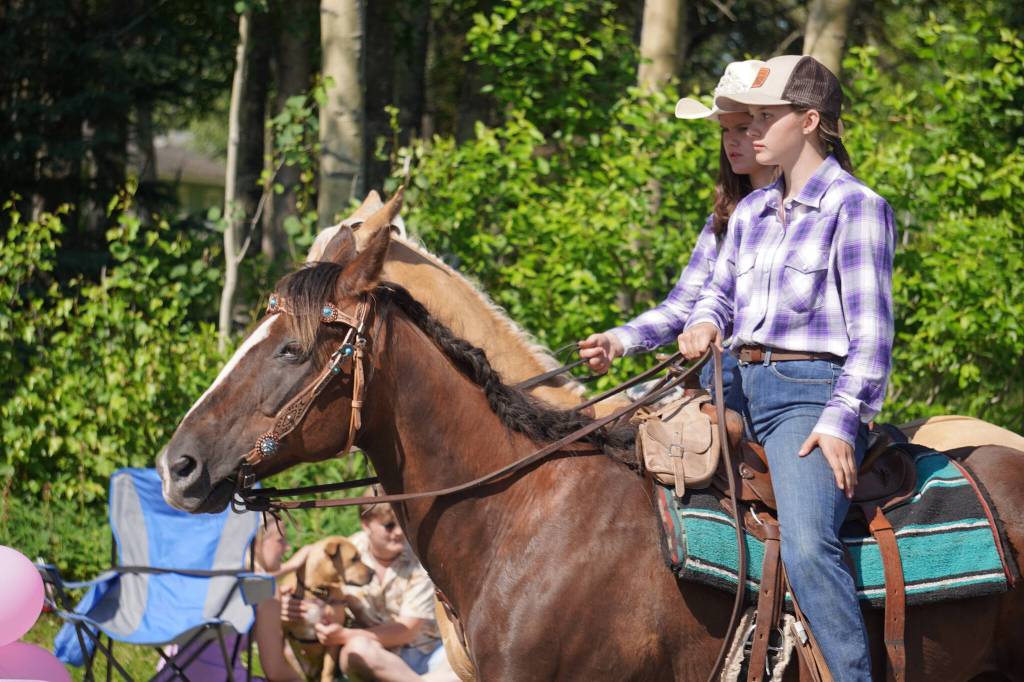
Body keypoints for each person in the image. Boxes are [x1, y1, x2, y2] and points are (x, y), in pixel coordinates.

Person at [677, 54, 896, 681]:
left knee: (806, 545)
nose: (752, 130)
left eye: (766, 118)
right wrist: (704, 323)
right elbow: (719, 295)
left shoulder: (856, 208)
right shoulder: (748, 213)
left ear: (808, 121)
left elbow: (873, 338)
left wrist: (840, 420)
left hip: (809, 397)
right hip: (735, 384)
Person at [578, 59, 775, 411]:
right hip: (713, 376)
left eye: (744, 127)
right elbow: (682, 306)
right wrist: (616, 341)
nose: (732, 141)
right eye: (725, 130)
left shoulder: (804, 214)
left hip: (766, 384)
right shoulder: (721, 221)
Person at [282, 492, 457, 682]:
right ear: (366, 524)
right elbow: (315, 581)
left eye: (401, 522)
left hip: (426, 652)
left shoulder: (419, 559)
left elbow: (406, 630)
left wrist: (344, 635)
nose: (398, 532)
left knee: (464, 662)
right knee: (356, 650)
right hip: (376, 654)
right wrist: (288, 603)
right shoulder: (348, 550)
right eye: (389, 525)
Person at [154, 519, 303, 682]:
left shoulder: (201, 573)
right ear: (256, 541)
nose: (287, 547)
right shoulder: (265, 590)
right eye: (280, 540)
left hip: (170, 676)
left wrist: (271, 617)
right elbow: (276, 672)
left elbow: (221, 646)